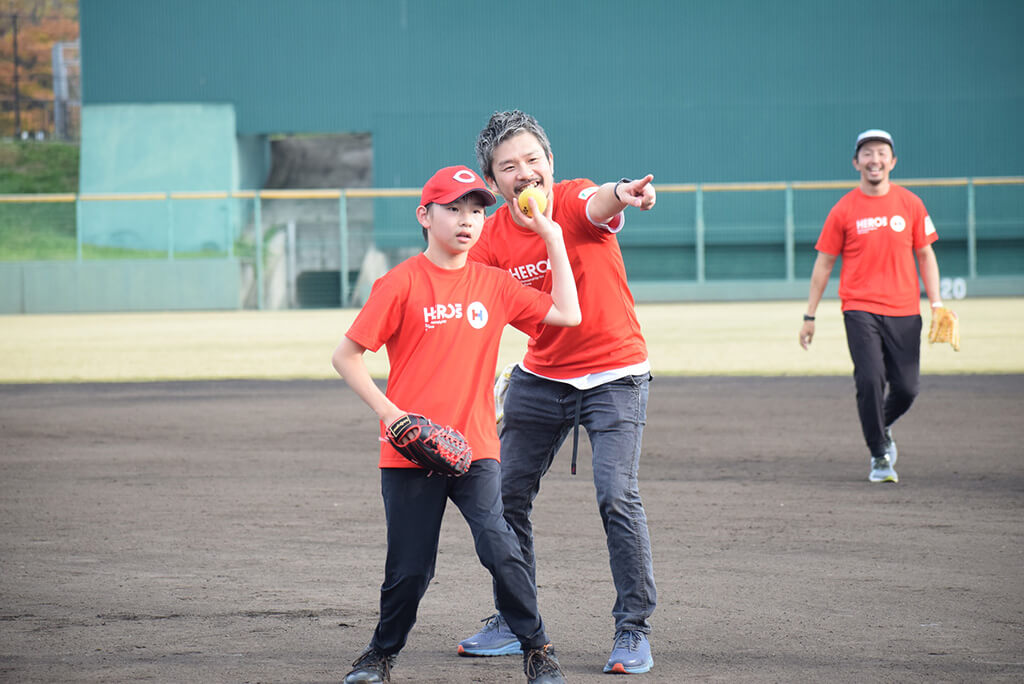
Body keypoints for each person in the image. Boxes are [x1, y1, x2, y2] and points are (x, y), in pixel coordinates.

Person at [332, 164, 581, 684]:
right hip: (408, 451)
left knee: (499, 546)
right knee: (409, 569)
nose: (467, 220)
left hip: (476, 448)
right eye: (453, 208)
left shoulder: (493, 284)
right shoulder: (399, 283)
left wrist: (552, 236)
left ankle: (537, 649)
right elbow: (347, 355)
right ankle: (379, 656)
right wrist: (392, 415)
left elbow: (567, 313)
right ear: (424, 215)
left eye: (476, 210)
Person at [457, 110, 658, 675]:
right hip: (540, 378)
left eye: (533, 161)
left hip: (615, 374)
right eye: (508, 167)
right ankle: (514, 619)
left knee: (616, 494)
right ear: (493, 184)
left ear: (551, 166)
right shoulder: (491, 238)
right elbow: (472, 307)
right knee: (503, 498)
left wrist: (625, 192)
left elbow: (603, 201)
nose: (524, 173)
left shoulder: (572, 200)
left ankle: (632, 627)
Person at [799, 129, 946, 484]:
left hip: (905, 310)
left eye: (881, 152)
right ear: (856, 163)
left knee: (907, 389)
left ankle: (879, 426)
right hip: (859, 307)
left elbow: (925, 254)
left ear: (892, 161)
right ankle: (879, 455)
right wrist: (810, 315)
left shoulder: (911, 204)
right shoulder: (844, 209)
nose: (874, 159)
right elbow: (824, 264)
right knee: (869, 379)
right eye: (867, 153)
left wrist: (937, 303)